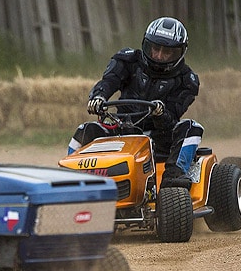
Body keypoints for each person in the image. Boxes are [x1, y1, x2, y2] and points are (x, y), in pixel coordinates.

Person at [68, 16, 202, 190]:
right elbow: (109, 81)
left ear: (179, 52)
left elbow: (172, 117)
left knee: (192, 127)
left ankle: (172, 181)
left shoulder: (187, 80)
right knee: (84, 131)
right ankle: (71, 181)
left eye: (166, 52)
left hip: (160, 139)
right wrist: (99, 97)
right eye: (155, 49)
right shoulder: (129, 60)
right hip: (123, 129)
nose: (159, 56)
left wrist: (160, 113)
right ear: (146, 45)